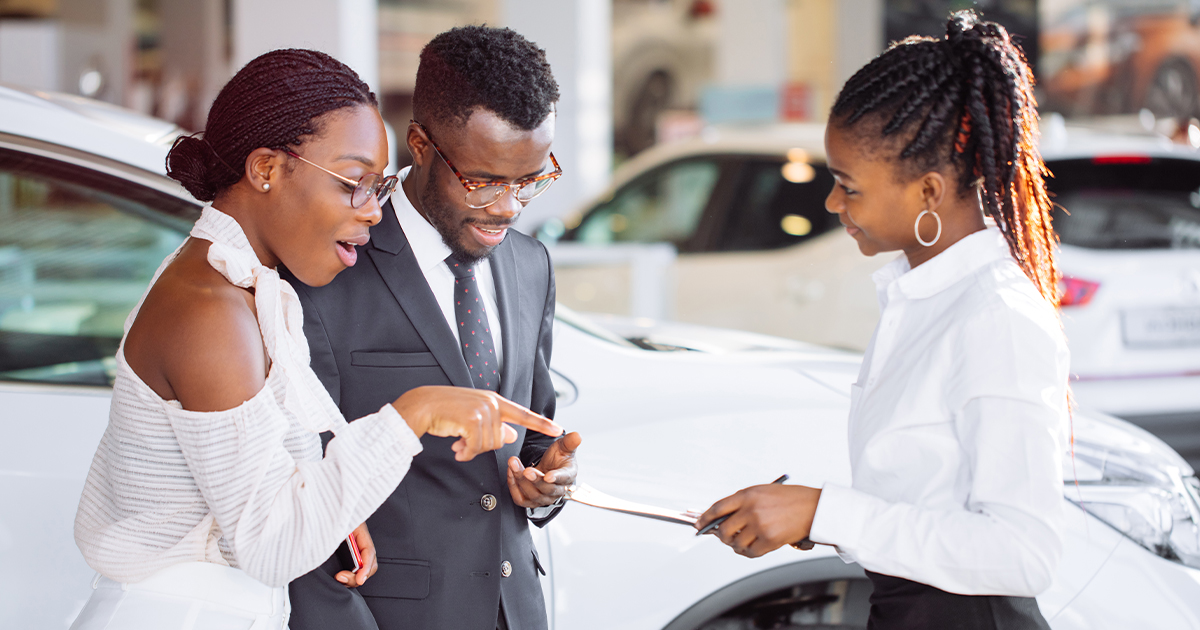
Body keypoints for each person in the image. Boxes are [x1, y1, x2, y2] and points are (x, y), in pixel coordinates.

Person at [70, 48, 562, 630]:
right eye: (353, 183)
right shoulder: (210, 311)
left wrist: (339, 519)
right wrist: (414, 413)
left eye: (378, 187)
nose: (374, 211)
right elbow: (272, 547)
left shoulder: (248, 285)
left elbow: (277, 485)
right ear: (267, 170)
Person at [695, 11, 1069, 629]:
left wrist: (825, 513)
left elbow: (1023, 553)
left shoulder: (996, 317)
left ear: (927, 192)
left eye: (849, 186)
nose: (832, 203)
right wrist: (804, 515)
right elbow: (922, 503)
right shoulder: (921, 299)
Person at [283, 26, 580, 630]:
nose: (509, 207)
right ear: (419, 143)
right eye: (484, 181)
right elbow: (295, 487)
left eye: (530, 179)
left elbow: (529, 430)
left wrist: (548, 477)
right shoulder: (325, 266)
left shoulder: (530, 264)